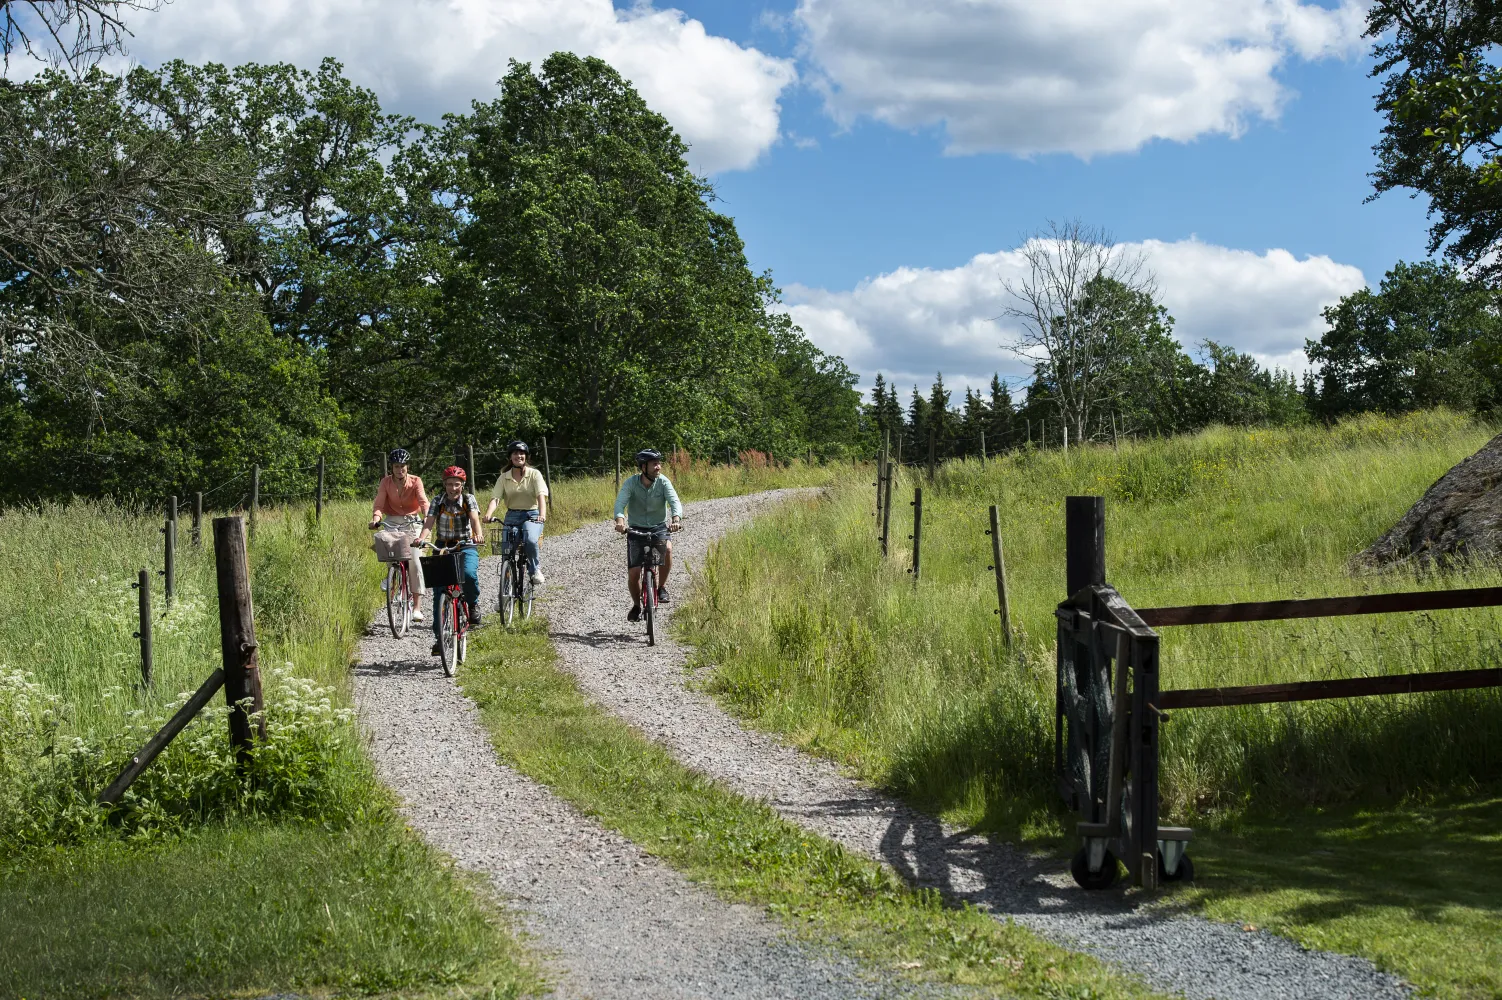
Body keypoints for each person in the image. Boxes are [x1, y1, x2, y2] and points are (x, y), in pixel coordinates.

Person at [414, 465, 486, 651]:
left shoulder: (468, 499)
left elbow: (474, 520)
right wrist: (421, 539)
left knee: (469, 574)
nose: (453, 488)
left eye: (457, 484)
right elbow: (429, 524)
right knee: (439, 592)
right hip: (443, 546)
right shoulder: (438, 500)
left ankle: (472, 605)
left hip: (465, 544)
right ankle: (440, 637)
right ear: (444, 485)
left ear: (462, 485)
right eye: (449, 484)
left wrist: (478, 535)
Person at [613, 448, 682, 622]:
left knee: (667, 550)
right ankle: (637, 605)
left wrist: (676, 519)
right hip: (636, 529)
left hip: (658, 527)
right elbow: (620, 503)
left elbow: (674, 502)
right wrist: (620, 522)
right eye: (654, 464)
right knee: (634, 573)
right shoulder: (631, 483)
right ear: (643, 467)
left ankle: (661, 587)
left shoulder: (663, 482)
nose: (658, 467)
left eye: (659, 463)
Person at [368, 448, 428, 622]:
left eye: (402, 466)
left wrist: (427, 517)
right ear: (391, 467)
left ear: (407, 467)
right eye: (396, 466)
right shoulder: (385, 483)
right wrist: (375, 519)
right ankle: (392, 578)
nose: (399, 470)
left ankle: (417, 607)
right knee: (387, 547)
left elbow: (423, 502)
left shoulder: (416, 481)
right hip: (392, 520)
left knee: (414, 560)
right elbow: (379, 504)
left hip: (412, 521)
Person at [484, 440, 549, 584]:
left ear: (526, 456)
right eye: (515, 453)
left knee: (530, 539)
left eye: (521, 453)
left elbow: (541, 496)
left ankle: (534, 570)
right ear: (510, 457)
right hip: (512, 515)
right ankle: (505, 591)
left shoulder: (534, 474)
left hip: (532, 515)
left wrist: (542, 515)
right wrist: (488, 514)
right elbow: (495, 498)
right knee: (506, 549)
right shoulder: (504, 477)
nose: (518, 456)